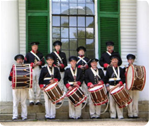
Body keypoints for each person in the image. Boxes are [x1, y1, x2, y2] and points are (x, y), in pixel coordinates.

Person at [39, 54, 61, 119]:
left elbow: (59, 77)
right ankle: (47, 115)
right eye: (49, 60)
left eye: (51, 60)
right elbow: (40, 79)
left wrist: (54, 80)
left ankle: (53, 115)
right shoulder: (44, 69)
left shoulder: (56, 69)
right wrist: (41, 86)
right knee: (47, 101)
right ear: (47, 61)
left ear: (53, 61)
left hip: (53, 86)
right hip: (46, 86)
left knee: (53, 100)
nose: (50, 61)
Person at [104, 54, 125, 119]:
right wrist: (107, 86)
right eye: (113, 60)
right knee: (112, 101)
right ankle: (113, 115)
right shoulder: (108, 69)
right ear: (111, 61)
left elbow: (123, 78)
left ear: (118, 61)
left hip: (119, 86)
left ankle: (120, 115)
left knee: (119, 101)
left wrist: (120, 83)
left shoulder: (121, 69)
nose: (114, 61)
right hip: (111, 86)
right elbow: (106, 79)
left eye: (116, 60)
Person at [8, 54, 28, 121]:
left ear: (22, 60)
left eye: (20, 59)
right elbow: (10, 78)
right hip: (15, 87)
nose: (19, 61)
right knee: (15, 102)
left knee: (23, 102)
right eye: (18, 59)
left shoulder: (26, 67)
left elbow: (28, 77)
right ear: (16, 61)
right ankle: (15, 116)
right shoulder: (13, 67)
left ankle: (24, 116)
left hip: (23, 87)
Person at [125, 54, 139, 118]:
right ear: (128, 61)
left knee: (135, 100)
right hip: (128, 86)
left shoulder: (136, 68)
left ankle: (135, 113)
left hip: (135, 86)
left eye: (132, 60)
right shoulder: (125, 68)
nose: (130, 61)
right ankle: (130, 113)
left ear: (133, 60)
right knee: (129, 100)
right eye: (129, 60)